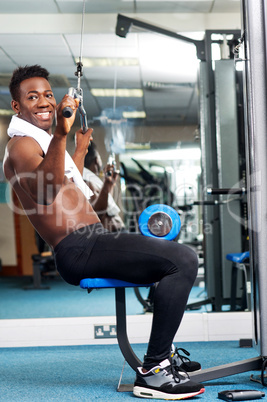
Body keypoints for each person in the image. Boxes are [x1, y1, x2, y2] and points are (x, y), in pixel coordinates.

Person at [3, 65, 204, 400]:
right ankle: (154, 371)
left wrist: (78, 149)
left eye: (48, 94)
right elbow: (46, 193)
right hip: (79, 247)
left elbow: (71, 186)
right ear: (17, 106)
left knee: (170, 259)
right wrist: (61, 135)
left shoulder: (41, 142)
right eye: (32, 96)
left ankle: (163, 355)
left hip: (92, 240)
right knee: (183, 259)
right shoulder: (21, 145)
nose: (44, 101)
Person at [83, 142, 126, 232]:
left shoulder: (91, 178)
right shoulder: (86, 179)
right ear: (96, 160)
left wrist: (110, 184)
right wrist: (106, 184)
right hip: (111, 235)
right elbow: (97, 213)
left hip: (116, 232)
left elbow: (105, 204)